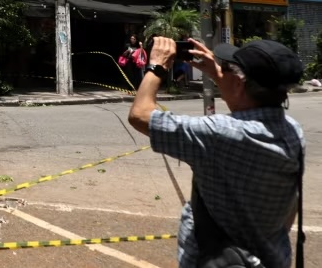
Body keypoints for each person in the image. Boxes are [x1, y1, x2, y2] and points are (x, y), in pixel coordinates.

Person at [128, 37, 304, 268]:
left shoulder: (219, 134)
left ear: (240, 84)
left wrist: (157, 66)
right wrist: (219, 74)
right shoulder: (292, 131)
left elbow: (140, 114)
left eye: (228, 68)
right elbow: (290, 212)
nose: (222, 70)